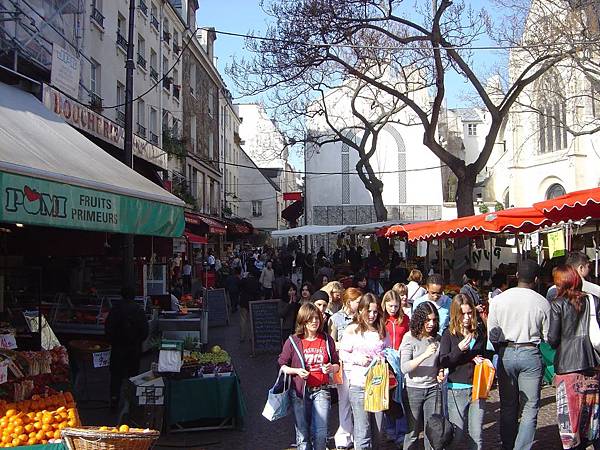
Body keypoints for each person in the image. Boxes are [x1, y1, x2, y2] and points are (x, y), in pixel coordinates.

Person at [487, 259, 551, 450]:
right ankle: (522, 447)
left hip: (506, 352)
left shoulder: (499, 299)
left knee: (508, 405)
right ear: (537, 278)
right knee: (530, 406)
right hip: (530, 352)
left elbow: (493, 333)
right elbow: (547, 335)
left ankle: (507, 444)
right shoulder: (542, 302)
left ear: (515, 276)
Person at [548, 265, 600, 450]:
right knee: (591, 420)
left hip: (567, 367)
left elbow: (552, 339)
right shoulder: (593, 300)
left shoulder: (557, 304)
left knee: (569, 420)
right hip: (592, 365)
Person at [278, 303, 340, 450]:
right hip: (300, 393)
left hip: (322, 390)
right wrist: (297, 371)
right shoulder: (293, 341)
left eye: (317, 318)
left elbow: (336, 364)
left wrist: (331, 368)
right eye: (310, 319)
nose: (314, 322)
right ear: (303, 321)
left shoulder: (326, 339)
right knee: (303, 435)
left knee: (321, 433)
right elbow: (281, 365)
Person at [340, 293, 388, 450]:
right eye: (369, 311)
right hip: (359, 384)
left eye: (375, 312)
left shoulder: (381, 331)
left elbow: (389, 351)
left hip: (378, 385)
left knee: (379, 431)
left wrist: (385, 358)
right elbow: (342, 353)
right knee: (363, 431)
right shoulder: (352, 330)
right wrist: (357, 358)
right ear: (360, 311)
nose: (372, 315)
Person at [439, 294, 487, 450]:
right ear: (455, 314)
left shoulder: (478, 331)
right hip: (457, 387)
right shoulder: (449, 333)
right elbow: (444, 360)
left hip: (477, 386)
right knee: (456, 435)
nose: (466, 317)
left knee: (476, 434)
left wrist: (474, 356)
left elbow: (482, 353)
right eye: (463, 314)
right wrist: (460, 350)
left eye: (469, 313)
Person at [400, 301, 444, 450]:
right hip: (413, 389)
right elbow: (405, 367)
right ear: (420, 320)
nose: (431, 324)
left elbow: (440, 363)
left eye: (434, 320)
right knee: (412, 432)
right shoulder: (409, 337)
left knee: (432, 430)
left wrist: (441, 371)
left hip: (433, 388)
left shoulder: (437, 338)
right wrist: (424, 355)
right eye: (427, 320)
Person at [105, 286, 149, 409]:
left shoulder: (116, 309)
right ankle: (131, 401)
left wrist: (113, 341)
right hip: (134, 348)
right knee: (133, 375)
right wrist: (138, 341)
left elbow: (108, 328)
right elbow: (145, 330)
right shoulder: (138, 310)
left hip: (118, 348)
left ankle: (114, 399)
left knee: (116, 375)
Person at [329, 287, 362, 450]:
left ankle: (358, 435)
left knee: (358, 402)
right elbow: (331, 342)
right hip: (343, 364)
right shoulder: (336, 319)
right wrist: (345, 345)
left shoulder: (361, 318)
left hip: (359, 364)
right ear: (349, 302)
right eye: (358, 302)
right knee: (344, 400)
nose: (360, 304)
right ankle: (344, 436)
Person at [381, 290, 410, 447]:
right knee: (388, 396)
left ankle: (401, 432)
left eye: (396, 306)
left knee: (400, 396)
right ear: (384, 305)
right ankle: (390, 429)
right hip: (385, 362)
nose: (393, 309)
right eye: (390, 306)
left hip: (400, 361)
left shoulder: (405, 319)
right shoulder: (381, 319)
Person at [239, 271, 260, 342]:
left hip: (244, 302)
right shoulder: (256, 281)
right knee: (252, 320)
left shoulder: (245, 280)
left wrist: (243, 277)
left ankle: (242, 336)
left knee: (243, 319)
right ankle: (252, 336)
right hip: (253, 302)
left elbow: (239, 284)